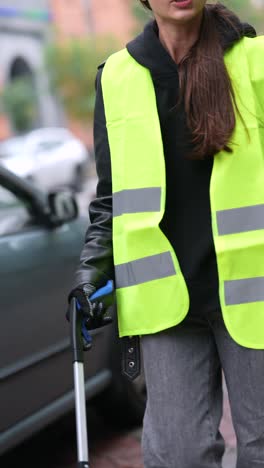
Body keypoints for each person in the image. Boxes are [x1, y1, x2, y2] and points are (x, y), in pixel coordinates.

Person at [68, 1, 264, 467]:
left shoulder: (254, 60)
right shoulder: (116, 77)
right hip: (163, 301)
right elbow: (111, 196)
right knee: (178, 455)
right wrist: (91, 268)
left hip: (252, 289)